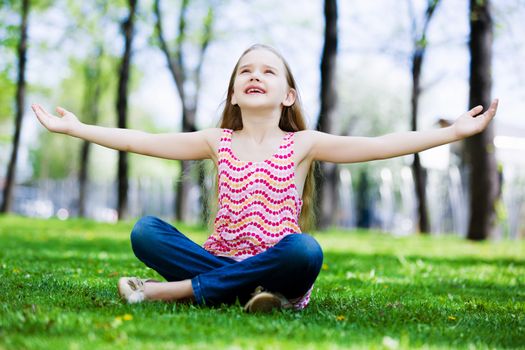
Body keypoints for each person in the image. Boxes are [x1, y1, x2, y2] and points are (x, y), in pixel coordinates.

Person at [31, 44, 498, 313]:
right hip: (217, 259)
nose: (255, 76)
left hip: (281, 266)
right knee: (146, 231)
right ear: (234, 91)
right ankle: (249, 293)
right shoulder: (218, 140)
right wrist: (77, 128)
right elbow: (140, 140)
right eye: (245, 72)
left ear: (287, 94)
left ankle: (174, 292)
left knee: (305, 250)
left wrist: (453, 133)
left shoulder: (304, 144)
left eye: (268, 71)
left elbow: (379, 145)